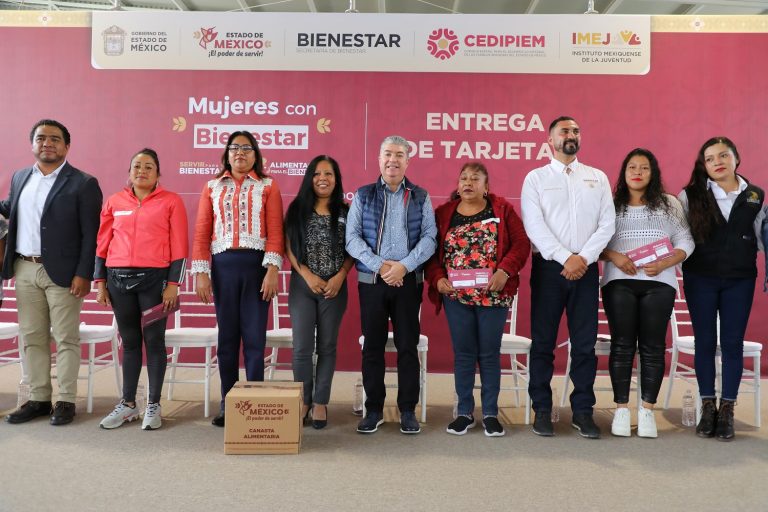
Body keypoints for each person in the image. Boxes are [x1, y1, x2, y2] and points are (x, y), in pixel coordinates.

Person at [2, 119, 102, 426]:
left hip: (64, 273)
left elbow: (91, 233)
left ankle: (66, 400)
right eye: (41, 138)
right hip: (24, 268)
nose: (48, 143)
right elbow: (9, 210)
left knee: (65, 337)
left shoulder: (83, 183)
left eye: (55, 139)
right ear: (32, 144)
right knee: (32, 336)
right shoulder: (20, 177)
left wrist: (84, 273)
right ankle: (39, 398)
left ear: (66, 146)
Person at [520, 116, 615, 439]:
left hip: (586, 271)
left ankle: (583, 411)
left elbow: (607, 224)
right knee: (543, 344)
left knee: (585, 345)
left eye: (576, 130)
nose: (571, 135)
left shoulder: (597, 177)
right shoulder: (535, 178)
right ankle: (543, 410)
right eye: (564, 131)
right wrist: (566, 258)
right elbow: (534, 226)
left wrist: (583, 258)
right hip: (549, 270)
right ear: (550, 141)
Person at [425, 162, 530, 437]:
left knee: (489, 355)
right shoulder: (443, 213)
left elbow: (521, 244)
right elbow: (431, 253)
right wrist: (437, 279)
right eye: (463, 178)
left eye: (475, 178)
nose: (468, 183)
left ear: (487, 186)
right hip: (456, 296)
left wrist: (505, 271)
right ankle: (464, 413)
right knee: (464, 354)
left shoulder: (503, 210)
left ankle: (491, 414)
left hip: (493, 295)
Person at [346, 135, 437, 435]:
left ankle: (407, 410)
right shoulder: (363, 195)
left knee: (407, 347)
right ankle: (374, 410)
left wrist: (404, 267)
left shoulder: (421, 196)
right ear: (379, 158)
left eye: (399, 155)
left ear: (408, 161)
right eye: (387, 154)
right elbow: (352, 238)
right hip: (372, 281)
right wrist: (381, 266)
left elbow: (429, 238)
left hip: (408, 281)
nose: (393, 160)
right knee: (372, 347)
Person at [192, 130, 284, 428]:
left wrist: (272, 270)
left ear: (256, 155)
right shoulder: (212, 186)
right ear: (226, 154)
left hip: (257, 268)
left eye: (246, 148)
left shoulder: (268, 186)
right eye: (234, 148)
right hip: (222, 268)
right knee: (227, 339)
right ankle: (228, 402)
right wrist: (202, 273)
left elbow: (275, 231)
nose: (240, 153)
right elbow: (202, 232)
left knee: (255, 338)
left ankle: (255, 400)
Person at [600, 148, 694, 438]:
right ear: (623, 172)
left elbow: (686, 241)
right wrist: (615, 256)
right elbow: (594, 243)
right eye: (631, 167)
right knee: (622, 345)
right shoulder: (610, 205)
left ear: (653, 173)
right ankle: (621, 409)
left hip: (660, 283)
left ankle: (647, 411)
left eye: (644, 167)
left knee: (653, 347)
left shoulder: (669, 204)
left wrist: (666, 262)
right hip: (619, 282)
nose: (637, 172)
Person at [94, 148, 189, 430]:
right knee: (131, 342)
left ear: (158, 173)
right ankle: (127, 404)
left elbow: (180, 247)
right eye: (136, 166)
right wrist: (100, 282)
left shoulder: (171, 202)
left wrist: (173, 285)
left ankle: (153, 405)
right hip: (117, 280)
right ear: (129, 172)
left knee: (154, 341)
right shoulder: (114, 201)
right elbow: (102, 244)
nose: (142, 171)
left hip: (154, 282)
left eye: (149, 166)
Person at [679, 136, 764, 442]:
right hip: (700, 277)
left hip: (740, 279)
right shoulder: (690, 195)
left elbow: (761, 235)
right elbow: (680, 235)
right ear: (704, 164)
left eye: (723, 156)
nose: (718, 162)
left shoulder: (755, 194)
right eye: (711, 158)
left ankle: (727, 409)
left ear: (736, 159)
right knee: (704, 341)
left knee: (732, 343)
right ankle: (707, 406)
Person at [284, 155, 353, 430]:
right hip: (304, 286)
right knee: (302, 347)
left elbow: (354, 249)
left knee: (327, 346)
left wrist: (340, 276)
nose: (323, 178)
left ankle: (321, 401)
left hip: (335, 287)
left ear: (336, 180)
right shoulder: (297, 208)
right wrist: (307, 274)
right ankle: (303, 400)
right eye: (317, 173)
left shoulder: (347, 211)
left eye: (329, 174)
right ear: (309, 178)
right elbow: (288, 246)